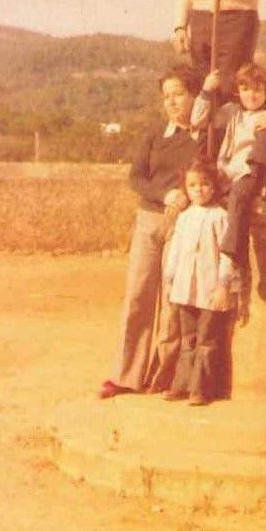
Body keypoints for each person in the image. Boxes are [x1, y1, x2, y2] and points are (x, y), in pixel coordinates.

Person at [99, 65, 203, 399]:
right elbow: (136, 178)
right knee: (138, 296)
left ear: (193, 95)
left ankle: (164, 376)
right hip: (149, 221)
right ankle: (126, 375)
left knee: (174, 302)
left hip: (182, 225)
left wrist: (186, 196)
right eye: (167, 96)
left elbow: (209, 176)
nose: (172, 102)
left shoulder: (204, 137)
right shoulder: (155, 136)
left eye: (178, 94)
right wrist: (164, 194)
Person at [191, 62, 266, 273]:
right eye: (246, 89)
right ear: (238, 91)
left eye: (257, 90)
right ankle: (222, 261)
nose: (252, 95)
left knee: (264, 130)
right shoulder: (231, 112)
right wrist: (207, 92)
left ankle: (231, 253)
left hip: (257, 171)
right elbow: (198, 121)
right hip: (231, 171)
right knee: (220, 207)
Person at [162, 157, 242, 406]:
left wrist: (223, 285)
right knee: (189, 337)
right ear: (186, 188)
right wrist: (170, 278)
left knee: (208, 339)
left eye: (205, 184)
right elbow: (175, 249)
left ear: (215, 187)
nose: (199, 190)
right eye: (193, 185)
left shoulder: (220, 217)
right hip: (186, 288)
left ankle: (202, 388)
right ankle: (182, 384)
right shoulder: (185, 217)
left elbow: (228, 253)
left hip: (209, 289)